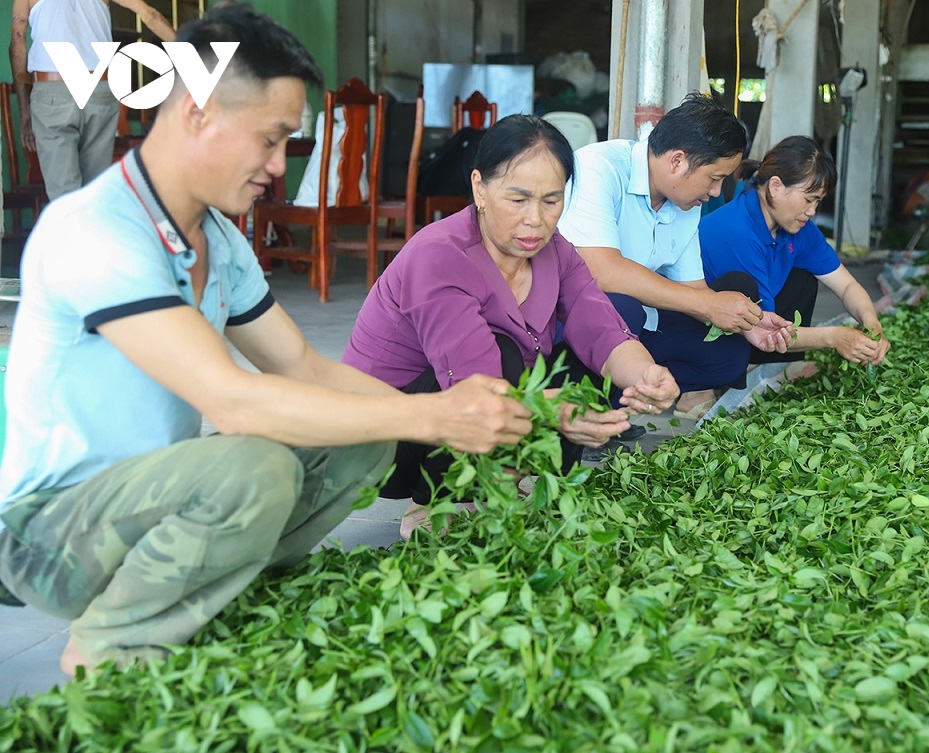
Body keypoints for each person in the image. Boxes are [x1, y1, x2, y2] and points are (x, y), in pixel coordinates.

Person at [0, 3, 533, 675]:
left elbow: (303, 366)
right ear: (197, 110)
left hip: (143, 502)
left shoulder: (218, 238)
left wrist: (471, 414)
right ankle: (107, 646)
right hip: (45, 535)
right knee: (259, 466)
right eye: (271, 138)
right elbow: (235, 404)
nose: (280, 166)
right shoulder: (96, 229)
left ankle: (234, 587)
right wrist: (432, 414)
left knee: (362, 430)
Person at [343, 114, 680, 537]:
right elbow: (473, 382)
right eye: (518, 200)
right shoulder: (439, 255)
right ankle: (438, 501)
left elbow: (602, 329)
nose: (536, 220)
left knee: (580, 363)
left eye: (551, 200)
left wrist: (647, 376)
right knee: (502, 352)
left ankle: (498, 481)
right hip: (388, 439)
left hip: (483, 413)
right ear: (479, 188)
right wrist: (554, 412)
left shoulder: (557, 252)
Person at [557, 92, 792, 422]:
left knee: (729, 355)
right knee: (621, 307)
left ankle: (629, 395)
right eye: (714, 178)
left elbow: (694, 289)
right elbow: (601, 271)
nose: (714, 193)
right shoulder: (600, 168)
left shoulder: (682, 203)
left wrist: (745, 322)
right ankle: (592, 411)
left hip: (633, 325)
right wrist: (710, 306)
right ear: (677, 160)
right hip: (565, 321)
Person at [699, 135, 890, 372]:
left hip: (759, 326)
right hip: (699, 334)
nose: (812, 211)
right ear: (776, 187)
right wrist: (834, 337)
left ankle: (771, 366)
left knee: (803, 278)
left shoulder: (797, 227)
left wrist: (872, 324)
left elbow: (846, 285)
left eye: (818, 202)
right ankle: (730, 372)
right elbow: (765, 327)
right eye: (809, 200)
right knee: (746, 289)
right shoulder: (738, 232)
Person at [9, 0, 176, 200]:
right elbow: (151, 16)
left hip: (53, 92)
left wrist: (25, 112)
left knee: (64, 197)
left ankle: (70, 227)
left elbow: (18, 43)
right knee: (95, 194)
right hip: (100, 90)